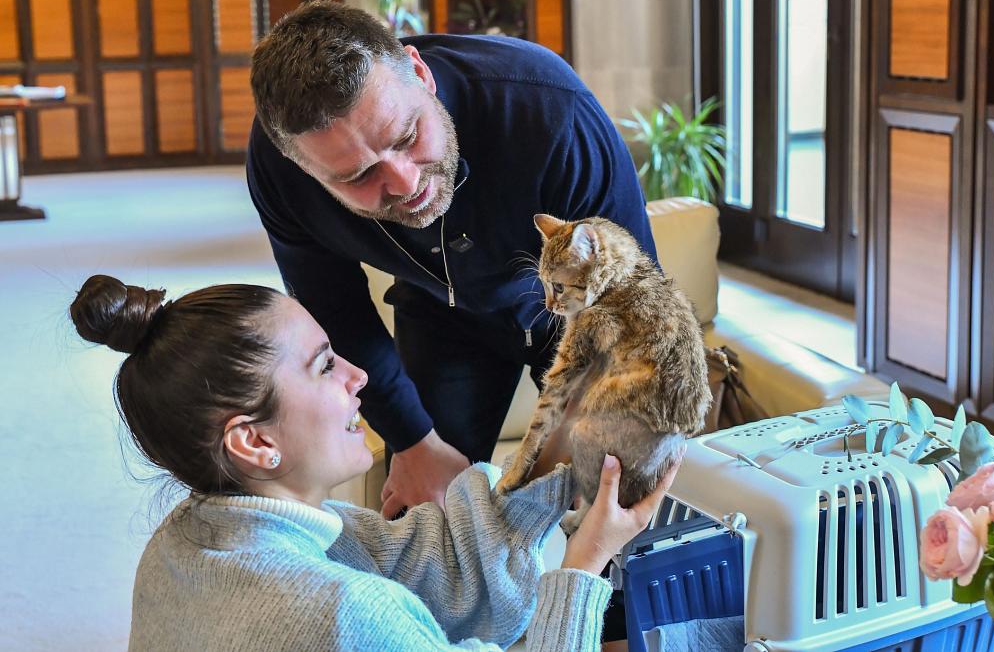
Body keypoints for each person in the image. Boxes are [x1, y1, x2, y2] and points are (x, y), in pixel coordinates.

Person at [70, 275, 680, 651]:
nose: (359, 378)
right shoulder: (343, 615)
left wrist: (552, 460)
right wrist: (585, 562)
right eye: (325, 365)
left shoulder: (182, 543)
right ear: (253, 443)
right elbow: (361, 611)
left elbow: (415, 557)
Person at [246, 0, 657, 518]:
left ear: (420, 74)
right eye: (358, 177)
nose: (406, 182)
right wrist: (415, 442)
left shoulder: (548, 110)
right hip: (440, 307)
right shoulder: (279, 173)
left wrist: (559, 466)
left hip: (574, 306)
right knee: (420, 518)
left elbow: (633, 307)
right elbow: (336, 311)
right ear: (302, 167)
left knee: (613, 493)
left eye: (408, 137)